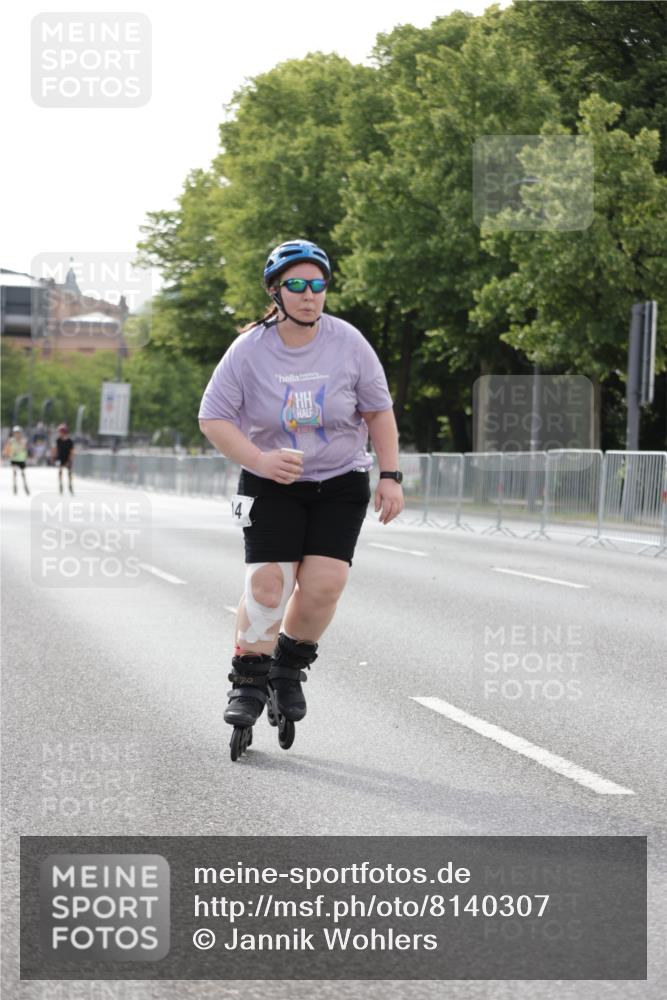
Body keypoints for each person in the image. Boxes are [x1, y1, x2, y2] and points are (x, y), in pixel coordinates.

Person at [199, 238, 404, 759]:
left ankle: (287, 667)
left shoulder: (350, 343)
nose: (310, 295)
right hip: (271, 483)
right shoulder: (248, 350)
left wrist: (391, 475)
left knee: (324, 584)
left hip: (339, 482)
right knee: (269, 585)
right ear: (276, 291)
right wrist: (259, 460)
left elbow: (379, 412)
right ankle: (248, 680)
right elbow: (213, 417)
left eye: (318, 284)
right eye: (297, 285)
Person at [4, 426, 30, 495]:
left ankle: (25, 484)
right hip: (14, 458)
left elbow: (24, 448)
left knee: (23, 473)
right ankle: (15, 485)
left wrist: (20, 451)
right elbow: (7, 448)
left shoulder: (23, 440)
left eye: (18, 432)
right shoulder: (11, 440)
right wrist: (7, 453)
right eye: (15, 433)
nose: (17, 434)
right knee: (14, 471)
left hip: (21, 458)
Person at [52, 423, 75, 494]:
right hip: (60, 458)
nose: (59, 433)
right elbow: (55, 449)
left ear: (64, 432)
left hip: (67, 458)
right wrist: (53, 457)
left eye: (60, 432)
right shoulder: (58, 440)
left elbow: (72, 451)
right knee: (60, 471)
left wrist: (70, 459)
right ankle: (61, 484)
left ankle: (70, 485)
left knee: (69, 473)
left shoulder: (70, 441)